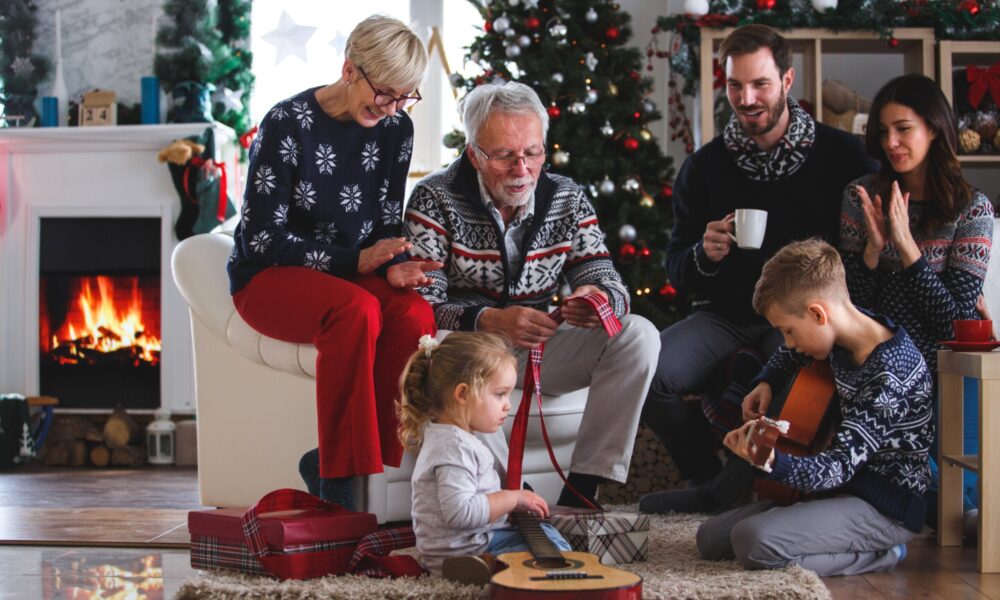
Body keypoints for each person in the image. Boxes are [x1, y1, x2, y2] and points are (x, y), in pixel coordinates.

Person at [639, 24, 877, 514]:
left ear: (788, 81)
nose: (746, 99)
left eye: (760, 84)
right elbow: (676, 270)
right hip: (726, 314)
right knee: (646, 372)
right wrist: (704, 254)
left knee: (794, 382)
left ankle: (737, 488)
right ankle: (706, 478)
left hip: (798, 316)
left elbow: (863, 258)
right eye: (734, 86)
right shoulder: (704, 168)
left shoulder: (843, 156)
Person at [403, 81, 660, 508]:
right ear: (474, 154)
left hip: (536, 347)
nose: (521, 168)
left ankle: (583, 487)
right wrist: (488, 320)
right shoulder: (435, 199)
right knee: (457, 356)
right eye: (504, 155)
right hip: (466, 347)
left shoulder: (568, 198)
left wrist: (596, 299)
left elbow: (609, 279)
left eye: (533, 152)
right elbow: (423, 306)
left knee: (638, 335)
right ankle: (499, 497)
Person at [227, 15, 440, 510]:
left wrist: (395, 262)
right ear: (350, 69)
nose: (392, 108)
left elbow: (387, 218)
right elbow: (261, 239)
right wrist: (357, 260)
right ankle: (342, 492)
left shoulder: (395, 128)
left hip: (352, 270)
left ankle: (353, 468)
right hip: (267, 277)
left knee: (415, 313)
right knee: (355, 311)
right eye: (385, 93)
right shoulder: (286, 124)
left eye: (406, 97)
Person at [696, 239, 933, 576]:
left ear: (818, 313)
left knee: (751, 542)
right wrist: (767, 381)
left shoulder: (889, 375)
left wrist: (766, 458)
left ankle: (884, 553)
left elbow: (838, 465)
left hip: (884, 507)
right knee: (711, 539)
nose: (789, 343)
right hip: (841, 490)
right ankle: (806, 530)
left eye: (788, 331)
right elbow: (790, 353)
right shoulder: (843, 326)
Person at [838, 73, 994, 524]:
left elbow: (956, 325)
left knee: (939, 495)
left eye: (903, 128)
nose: (891, 142)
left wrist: (907, 250)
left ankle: (941, 501)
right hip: (875, 360)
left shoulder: (972, 209)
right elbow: (849, 306)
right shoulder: (861, 197)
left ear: (934, 128)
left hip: (940, 364)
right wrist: (870, 252)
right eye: (883, 131)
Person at [400, 332, 571, 579]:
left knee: (545, 534)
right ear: (463, 394)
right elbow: (461, 513)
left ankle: (491, 567)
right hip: (466, 548)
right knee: (556, 548)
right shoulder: (454, 447)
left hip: (459, 545)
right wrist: (512, 499)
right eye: (500, 394)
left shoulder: (445, 435)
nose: (507, 404)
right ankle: (488, 568)